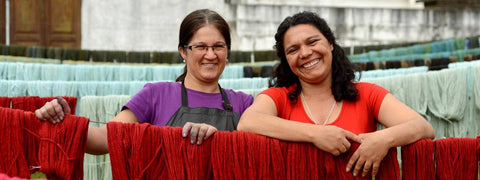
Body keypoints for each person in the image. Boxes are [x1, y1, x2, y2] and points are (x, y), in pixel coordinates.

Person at [237, 11, 435, 177]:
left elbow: (423, 127)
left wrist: (384, 139)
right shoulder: (278, 97)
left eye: (312, 42)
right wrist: (316, 134)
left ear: (330, 43)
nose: (305, 53)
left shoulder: (367, 94)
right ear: (286, 60)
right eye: (293, 50)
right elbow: (248, 123)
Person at [35, 9, 254, 155]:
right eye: (200, 47)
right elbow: (104, 139)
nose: (210, 54)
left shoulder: (245, 104)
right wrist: (63, 121)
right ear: (183, 52)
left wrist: (220, 140)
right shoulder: (156, 95)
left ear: (227, 52)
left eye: (218, 46)